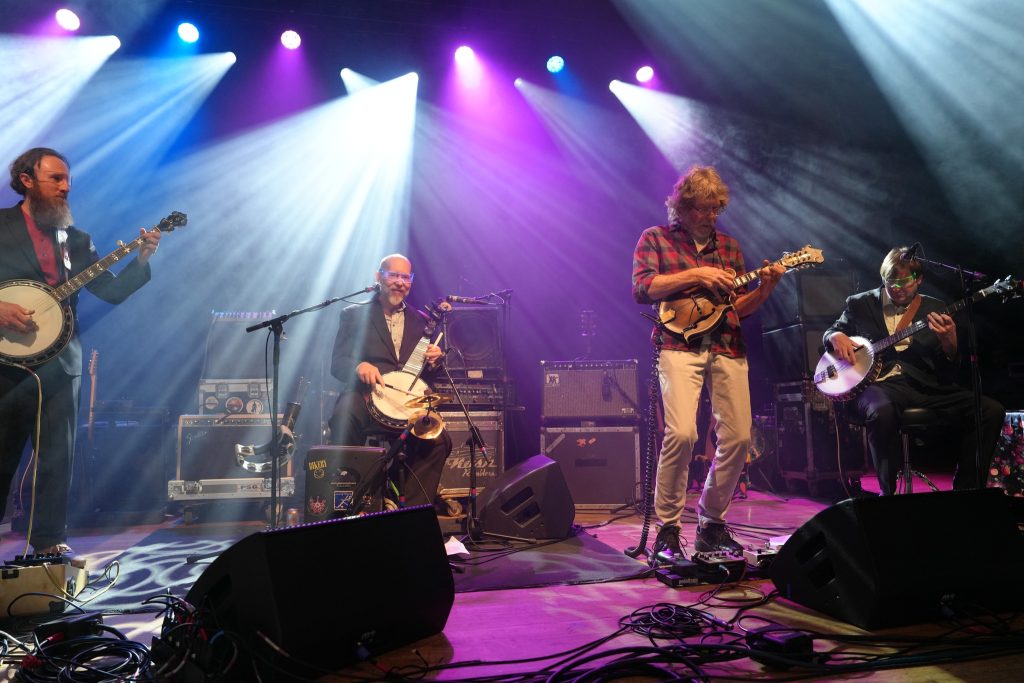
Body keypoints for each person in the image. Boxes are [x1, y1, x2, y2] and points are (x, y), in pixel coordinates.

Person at [0, 147, 161, 555]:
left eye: (67, 179)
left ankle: (48, 544)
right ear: (26, 181)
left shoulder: (76, 240)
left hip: (60, 363)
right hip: (6, 363)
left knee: (57, 458)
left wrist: (141, 260)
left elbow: (111, 291)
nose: (65, 187)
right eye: (55, 179)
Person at [632, 165, 784, 559]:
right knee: (682, 434)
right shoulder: (656, 238)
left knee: (739, 438)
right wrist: (697, 274)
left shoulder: (729, 247)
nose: (710, 216)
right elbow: (643, 287)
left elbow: (738, 308)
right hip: (677, 345)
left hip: (727, 345)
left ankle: (712, 523)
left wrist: (765, 289)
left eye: (716, 209)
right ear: (682, 207)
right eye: (702, 208)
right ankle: (667, 529)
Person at [823, 247, 1005, 495]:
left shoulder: (935, 307)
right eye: (891, 281)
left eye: (905, 282)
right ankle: (887, 494)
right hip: (879, 385)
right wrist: (834, 335)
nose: (897, 288)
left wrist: (950, 343)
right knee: (881, 411)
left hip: (924, 386)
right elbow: (831, 332)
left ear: (919, 279)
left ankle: (967, 491)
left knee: (991, 410)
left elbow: (949, 371)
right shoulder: (860, 303)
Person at [328, 254, 450, 508]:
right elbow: (338, 363)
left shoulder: (423, 322)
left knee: (439, 441)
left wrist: (435, 362)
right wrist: (359, 366)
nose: (400, 282)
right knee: (343, 418)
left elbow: (427, 375)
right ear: (378, 277)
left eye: (405, 277)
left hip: (407, 401)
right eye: (393, 275)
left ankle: (410, 510)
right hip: (365, 394)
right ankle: (354, 502)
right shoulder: (354, 315)